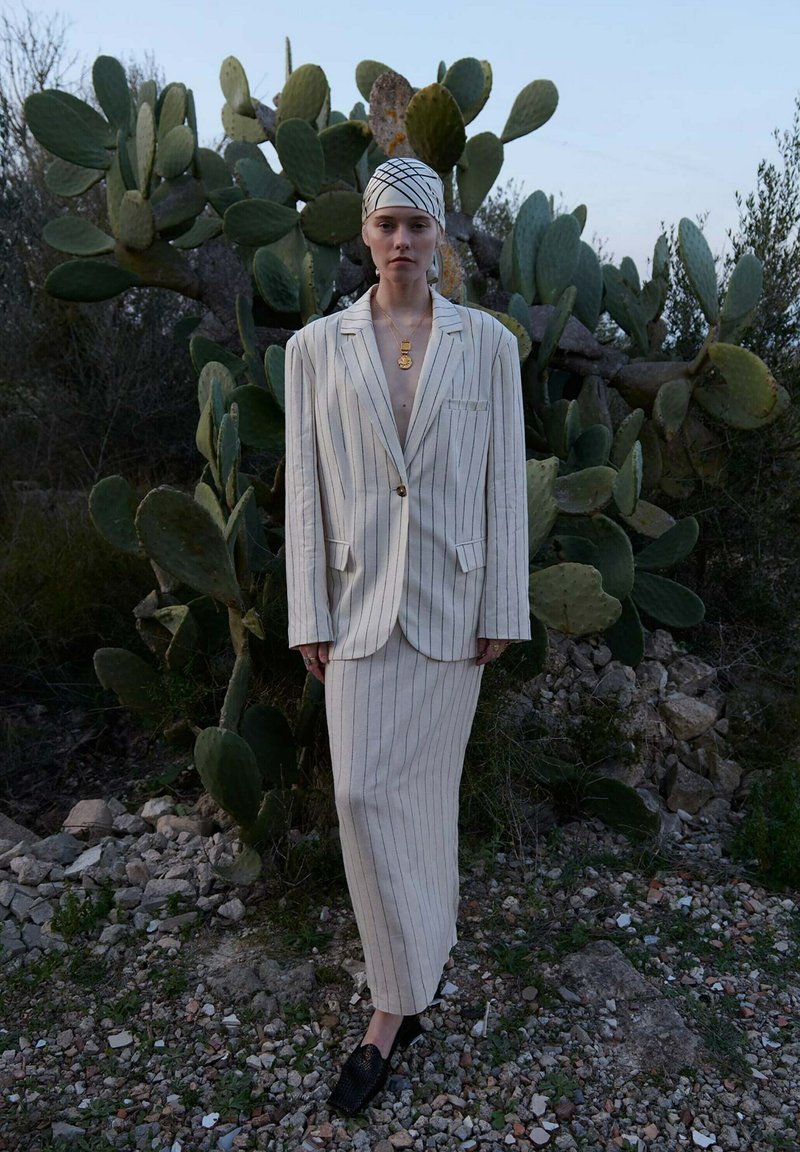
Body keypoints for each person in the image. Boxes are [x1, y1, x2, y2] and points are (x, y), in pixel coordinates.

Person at [284, 156, 530, 1116]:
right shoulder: (317, 347)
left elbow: (503, 479)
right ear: (364, 233)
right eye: (386, 224)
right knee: (358, 796)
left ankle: (393, 1009)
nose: (401, 241)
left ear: (441, 236)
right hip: (356, 603)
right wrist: (308, 612)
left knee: (426, 804)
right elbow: (305, 486)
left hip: (450, 606)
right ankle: (409, 977)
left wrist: (503, 605)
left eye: (417, 225)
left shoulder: (488, 345)